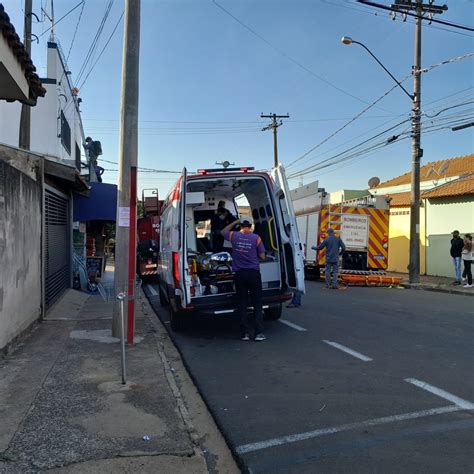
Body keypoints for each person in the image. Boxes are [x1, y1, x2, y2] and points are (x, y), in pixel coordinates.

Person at [221, 219, 266, 341]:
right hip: (253, 273)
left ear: (240, 227)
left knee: (242, 303)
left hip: (239, 274)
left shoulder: (234, 236)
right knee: (257, 303)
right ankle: (258, 333)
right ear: (250, 227)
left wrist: (235, 222)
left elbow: (223, 231)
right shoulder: (256, 238)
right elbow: (262, 256)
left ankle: (244, 334)